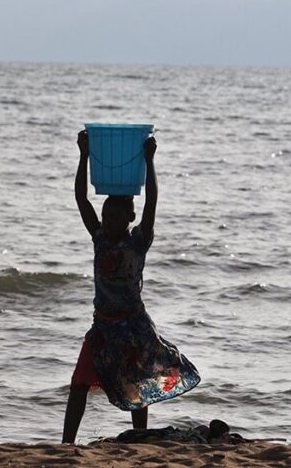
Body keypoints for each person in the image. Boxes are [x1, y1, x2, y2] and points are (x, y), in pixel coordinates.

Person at [62, 131, 200, 443]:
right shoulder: (99, 238)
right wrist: (83, 156)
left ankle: (140, 437)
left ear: (130, 217)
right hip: (102, 327)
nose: (108, 220)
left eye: (115, 215)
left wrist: (150, 161)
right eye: (106, 215)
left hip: (133, 327)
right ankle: (66, 443)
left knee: (138, 385)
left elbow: (152, 201)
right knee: (79, 383)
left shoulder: (138, 241)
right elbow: (81, 199)